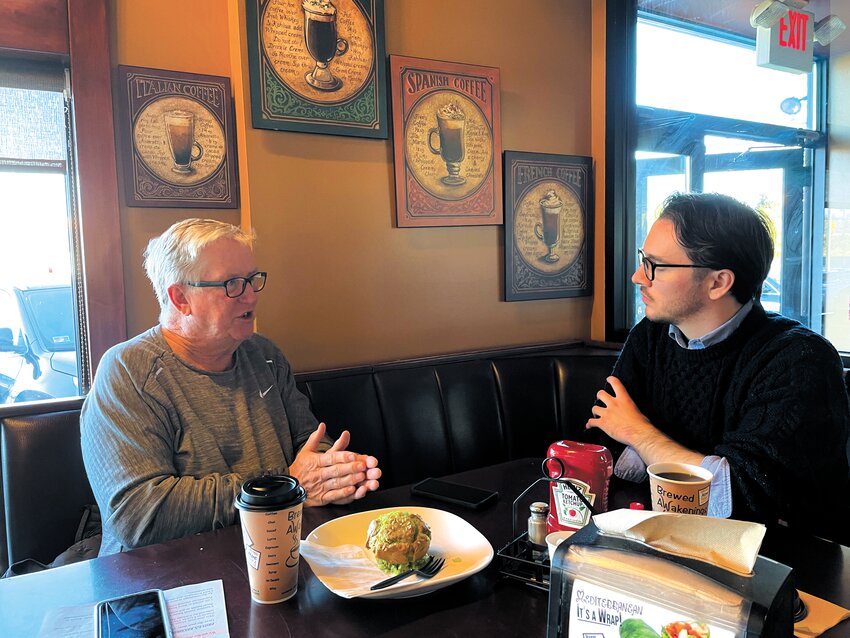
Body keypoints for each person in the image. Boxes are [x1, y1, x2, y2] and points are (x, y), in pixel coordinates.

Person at [81, 219, 381, 555]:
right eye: (233, 284)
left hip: (274, 552)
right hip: (168, 577)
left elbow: (308, 442)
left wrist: (331, 474)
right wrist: (285, 487)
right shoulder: (127, 371)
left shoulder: (264, 355)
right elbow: (140, 515)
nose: (251, 295)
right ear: (181, 298)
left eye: (253, 280)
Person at [586, 192, 850, 531]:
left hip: (787, 566)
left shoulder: (798, 361)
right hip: (665, 538)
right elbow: (601, 444)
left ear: (718, 282)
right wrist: (691, 462)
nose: (639, 277)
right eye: (643, 259)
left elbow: (741, 498)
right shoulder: (651, 337)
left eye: (656, 266)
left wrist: (639, 432)